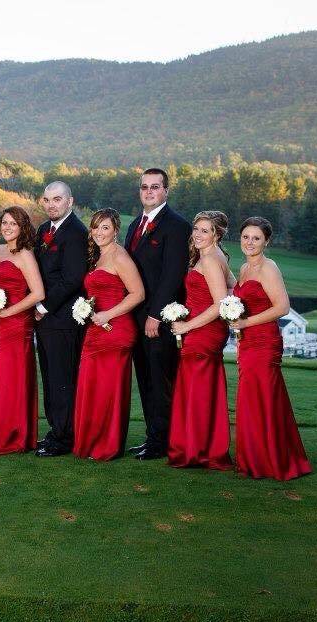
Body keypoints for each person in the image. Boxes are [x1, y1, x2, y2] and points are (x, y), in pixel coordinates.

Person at [230, 217, 311, 481]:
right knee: (250, 399)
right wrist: (238, 328)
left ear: (266, 241)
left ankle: (273, 461)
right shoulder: (243, 269)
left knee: (265, 398)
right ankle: (254, 459)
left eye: (255, 238)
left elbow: (282, 307)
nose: (249, 242)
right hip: (247, 341)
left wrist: (245, 322)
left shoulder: (268, 267)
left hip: (264, 342)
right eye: (245, 237)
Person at [124, 168, 191, 460]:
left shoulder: (177, 226)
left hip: (158, 319)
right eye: (144, 187)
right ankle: (153, 437)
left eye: (155, 187)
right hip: (135, 318)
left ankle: (163, 441)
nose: (149, 192)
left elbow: (172, 276)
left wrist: (155, 315)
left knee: (161, 381)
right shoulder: (134, 225)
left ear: (166, 191)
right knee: (145, 380)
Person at [72, 209, 144, 461]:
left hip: (115, 331)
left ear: (115, 230)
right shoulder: (99, 257)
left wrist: (107, 315)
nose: (99, 232)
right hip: (95, 331)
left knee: (107, 391)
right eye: (95, 227)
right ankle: (92, 442)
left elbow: (137, 294)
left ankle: (107, 446)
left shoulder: (120, 256)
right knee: (92, 388)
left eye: (105, 227)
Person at [168, 211, 236, 470]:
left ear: (216, 234)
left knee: (197, 391)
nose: (197, 234)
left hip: (203, 332)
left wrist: (186, 324)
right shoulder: (216, 256)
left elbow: (219, 304)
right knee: (201, 390)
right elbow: (233, 288)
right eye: (196, 228)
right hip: (205, 330)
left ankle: (196, 451)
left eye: (205, 230)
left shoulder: (209, 260)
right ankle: (202, 447)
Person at [0, 207, 45, 455]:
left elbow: (38, 293)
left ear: (23, 227)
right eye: (5, 222)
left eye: (13, 223)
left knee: (13, 377)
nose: (8, 227)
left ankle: (13, 434)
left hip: (17, 324)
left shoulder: (25, 255)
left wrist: (8, 312)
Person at [33, 182, 88, 457]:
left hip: (63, 320)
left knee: (63, 379)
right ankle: (56, 430)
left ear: (70, 201)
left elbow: (73, 279)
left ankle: (65, 438)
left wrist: (42, 306)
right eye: (47, 199)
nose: (51, 204)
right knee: (50, 378)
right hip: (46, 321)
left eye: (57, 199)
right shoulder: (45, 230)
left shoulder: (76, 233)